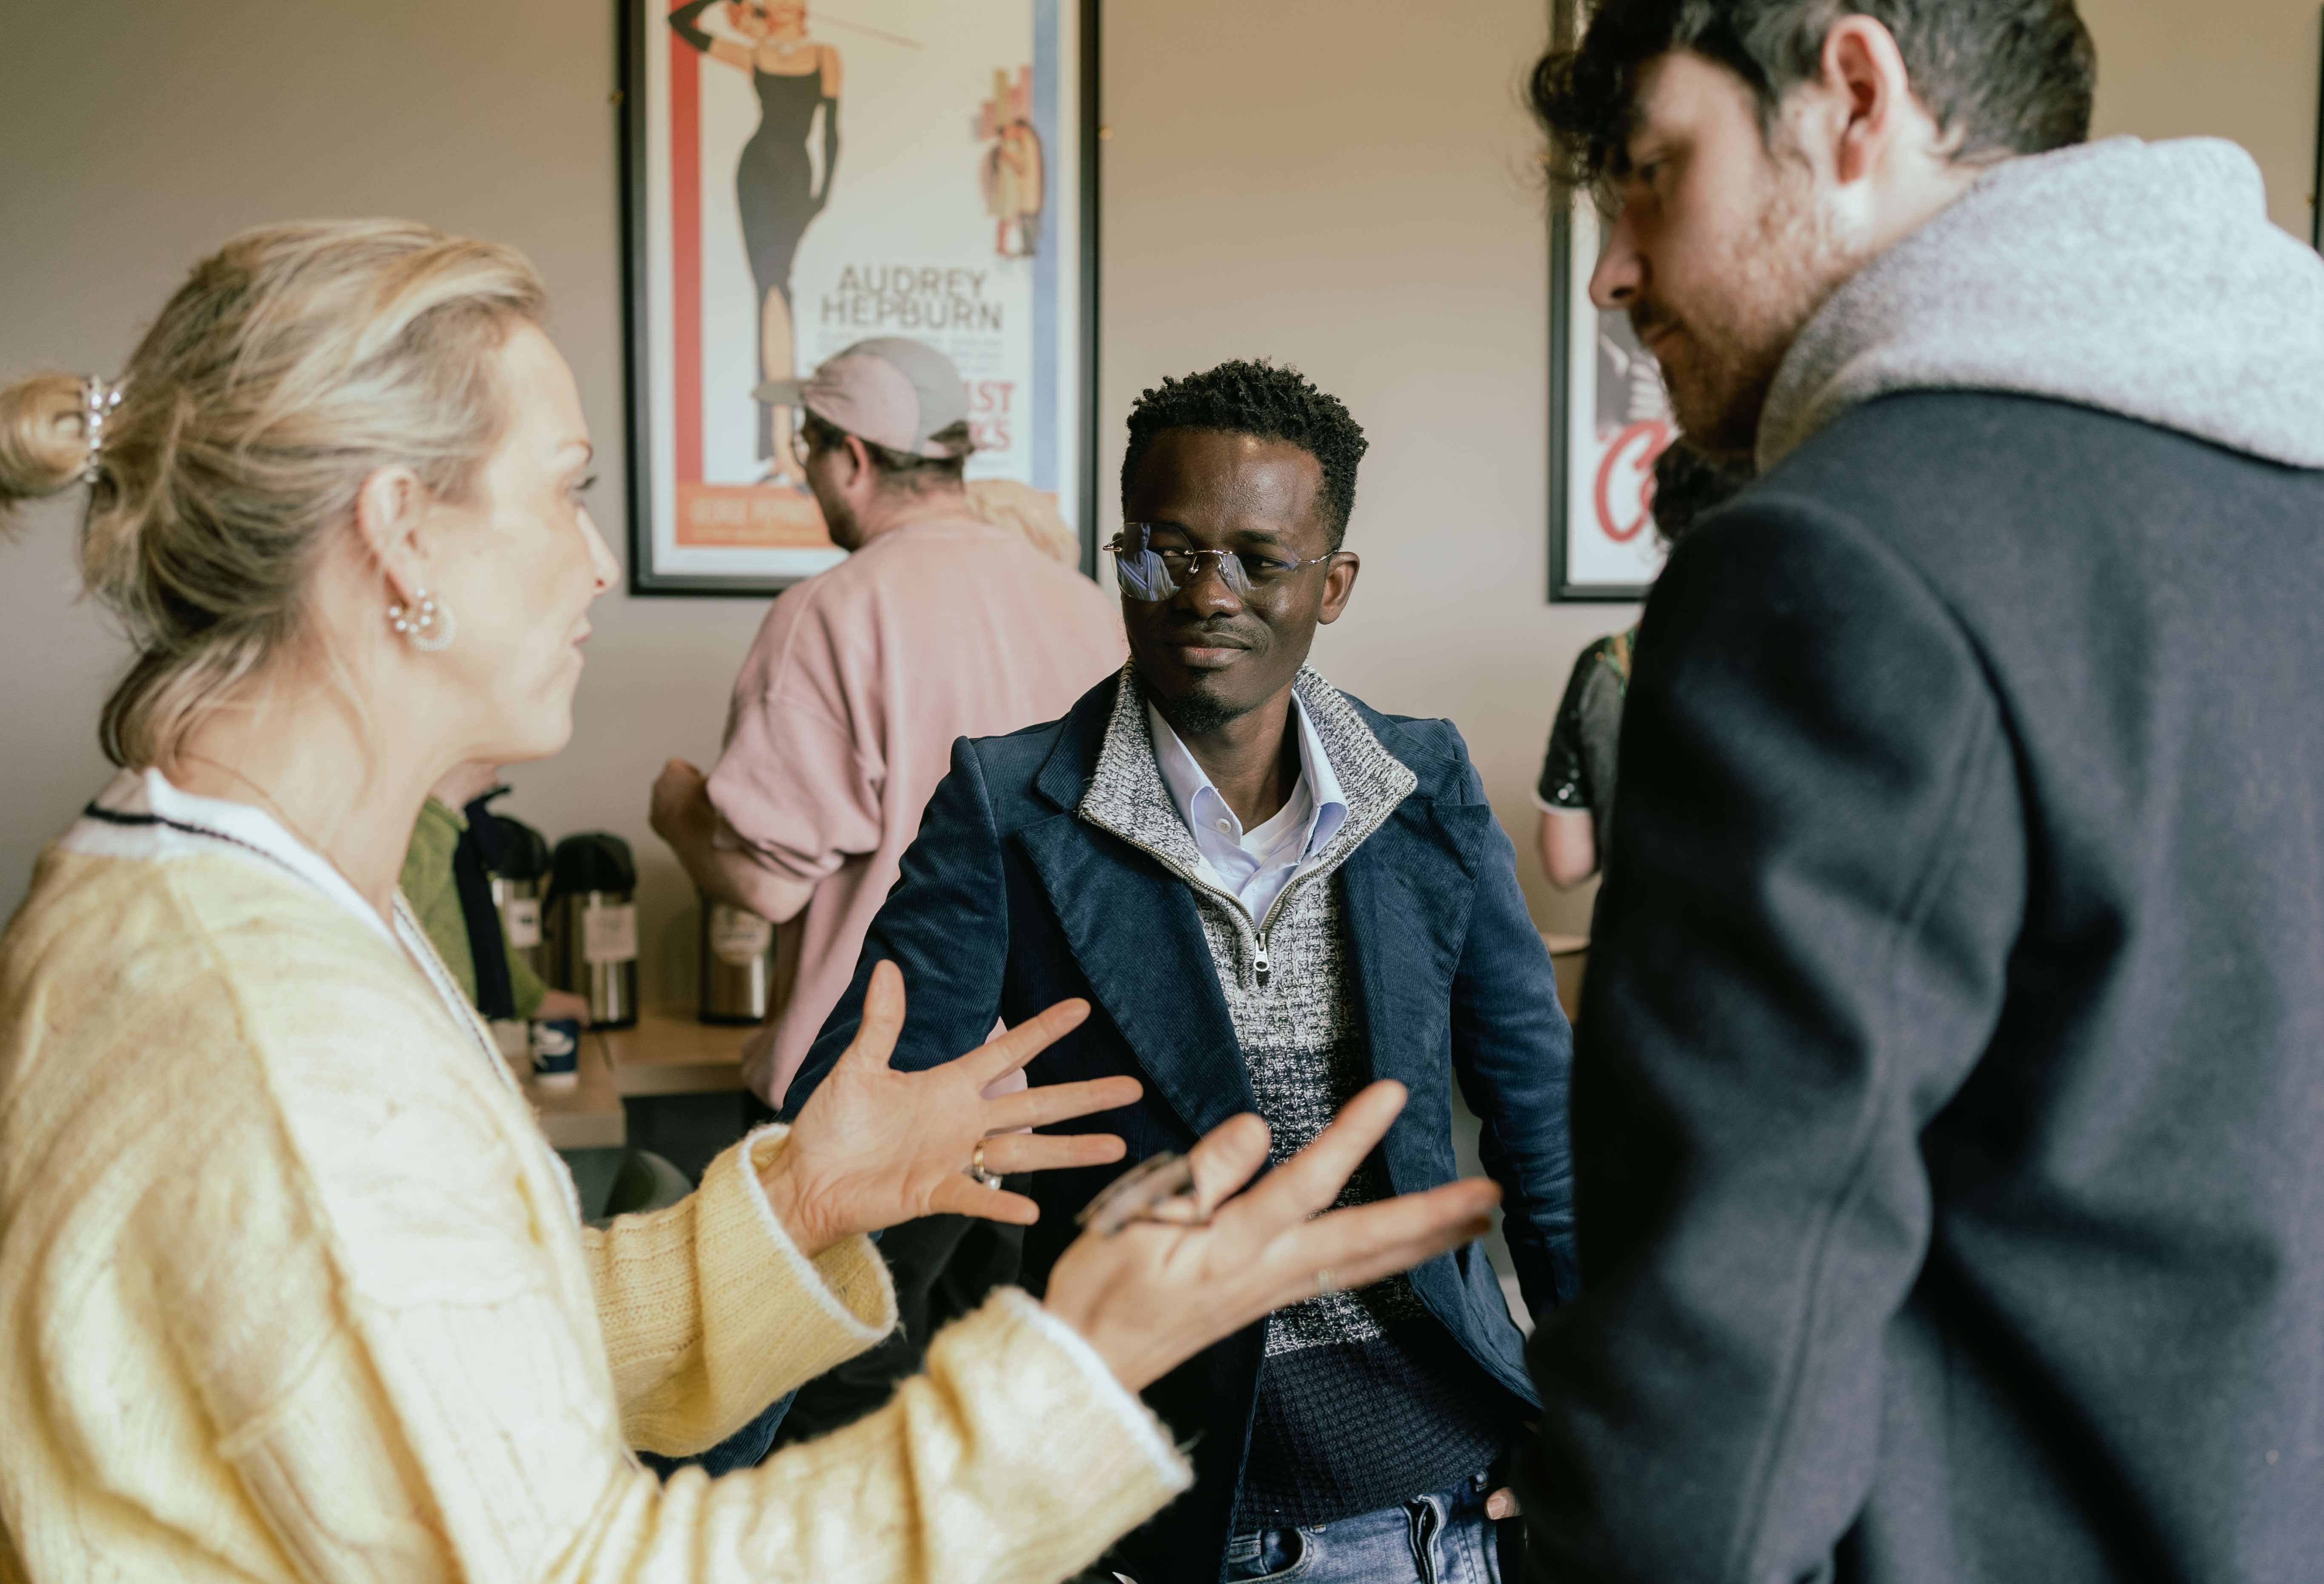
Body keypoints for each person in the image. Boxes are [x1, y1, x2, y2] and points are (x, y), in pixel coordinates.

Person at [0, 219, 1506, 1583]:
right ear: (401, 531)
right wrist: (1082, 1368)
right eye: (569, 492)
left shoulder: (236, 909)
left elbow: (454, 1355)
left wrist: (790, 1206)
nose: (599, 561)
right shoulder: (275, 1025)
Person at [1516, 4, 2324, 1580]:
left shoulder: (1831, 562)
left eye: (1647, 170)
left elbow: (1716, 1392)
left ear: (1852, 97)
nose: (1614, 266)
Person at [783, 359, 1580, 1584]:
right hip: (1159, 1512)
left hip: (1438, 1501)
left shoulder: (1422, 787)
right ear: (1121, 556)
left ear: (1333, 584)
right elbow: (847, 1141)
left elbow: (1543, 1128)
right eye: (1167, 551)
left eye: (1259, 561)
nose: (1206, 594)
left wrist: (1598, 1410)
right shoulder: (1009, 807)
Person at [649, 335, 1124, 1446]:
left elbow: (760, 883)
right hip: (1043, 1090)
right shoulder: (1085, 610)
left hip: (870, 1103)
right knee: (982, 1424)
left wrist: (679, 812)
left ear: (849, 459)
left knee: (818, 1422)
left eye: (808, 451)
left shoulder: (829, 611)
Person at [1534, 441, 1747, 889]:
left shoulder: (1607, 665)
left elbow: (1566, 861)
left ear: (1665, 521)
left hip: (1640, 949)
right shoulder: (1810, 650)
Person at [667, 0, 840, 481]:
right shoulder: (755, 55)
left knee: (778, 290)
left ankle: (782, 443)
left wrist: (820, 196)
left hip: (794, 179)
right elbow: (679, 24)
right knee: (768, 290)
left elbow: (832, 132)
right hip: (756, 173)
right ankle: (779, 445)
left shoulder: (825, 55)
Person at [400, 758, 591, 1025]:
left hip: (463, 1038)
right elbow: (388, 914)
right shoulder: (406, 811)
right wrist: (443, 804)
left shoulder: (461, 818)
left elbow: (477, 921)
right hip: (420, 1036)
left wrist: (530, 997)